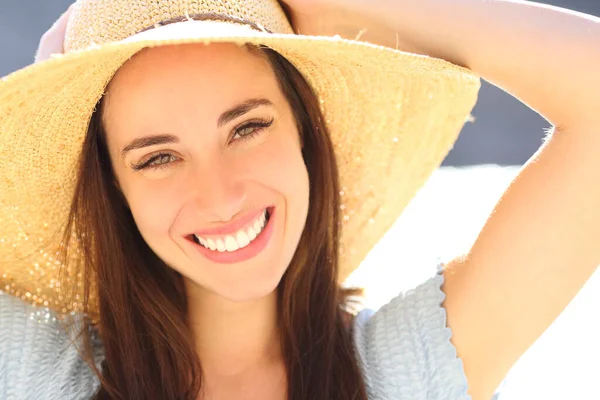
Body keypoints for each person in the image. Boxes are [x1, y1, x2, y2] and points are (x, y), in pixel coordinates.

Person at [0, 0, 598, 399]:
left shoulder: (400, 372)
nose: (220, 196)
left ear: (307, 133)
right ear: (114, 191)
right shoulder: (33, 368)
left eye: (247, 128)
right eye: (158, 157)